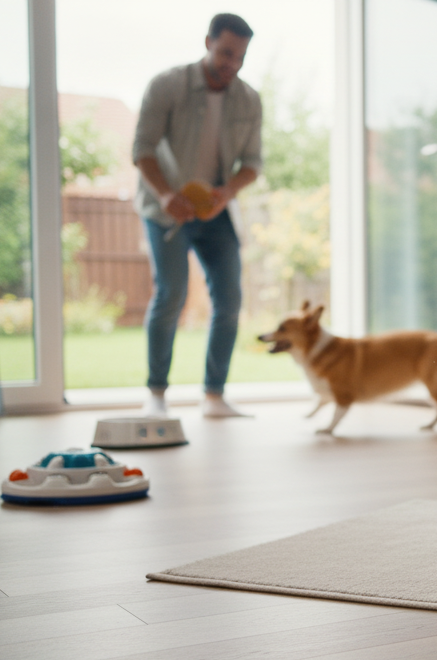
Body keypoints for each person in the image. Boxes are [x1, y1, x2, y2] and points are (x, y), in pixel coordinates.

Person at [132, 13, 262, 417]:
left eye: (239, 57)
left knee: (230, 300)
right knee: (171, 294)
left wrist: (228, 192)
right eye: (225, 53)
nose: (232, 64)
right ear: (208, 42)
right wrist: (167, 194)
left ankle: (214, 396)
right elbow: (142, 149)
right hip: (166, 209)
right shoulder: (167, 85)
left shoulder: (249, 100)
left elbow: (252, 164)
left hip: (216, 211)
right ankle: (156, 394)